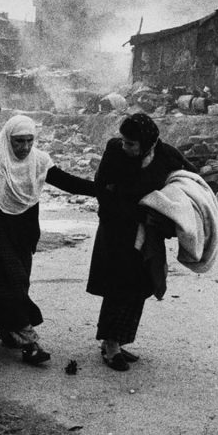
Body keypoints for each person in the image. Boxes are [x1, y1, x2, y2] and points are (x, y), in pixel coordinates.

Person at [0, 115, 95, 365]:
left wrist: (102, 190)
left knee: (19, 284)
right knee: (13, 281)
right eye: (19, 141)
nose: (24, 147)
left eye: (29, 141)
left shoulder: (40, 161)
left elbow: (67, 182)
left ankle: (7, 329)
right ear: (8, 139)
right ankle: (30, 342)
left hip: (25, 233)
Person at [86, 112, 197, 371]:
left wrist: (169, 207)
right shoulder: (115, 151)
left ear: (146, 142)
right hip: (116, 230)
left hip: (146, 233)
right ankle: (110, 346)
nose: (125, 146)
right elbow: (102, 188)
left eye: (131, 144)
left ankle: (119, 340)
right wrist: (126, 206)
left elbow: (191, 180)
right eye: (124, 141)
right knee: (118, 285)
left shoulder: (166, 155)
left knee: (139, 285)